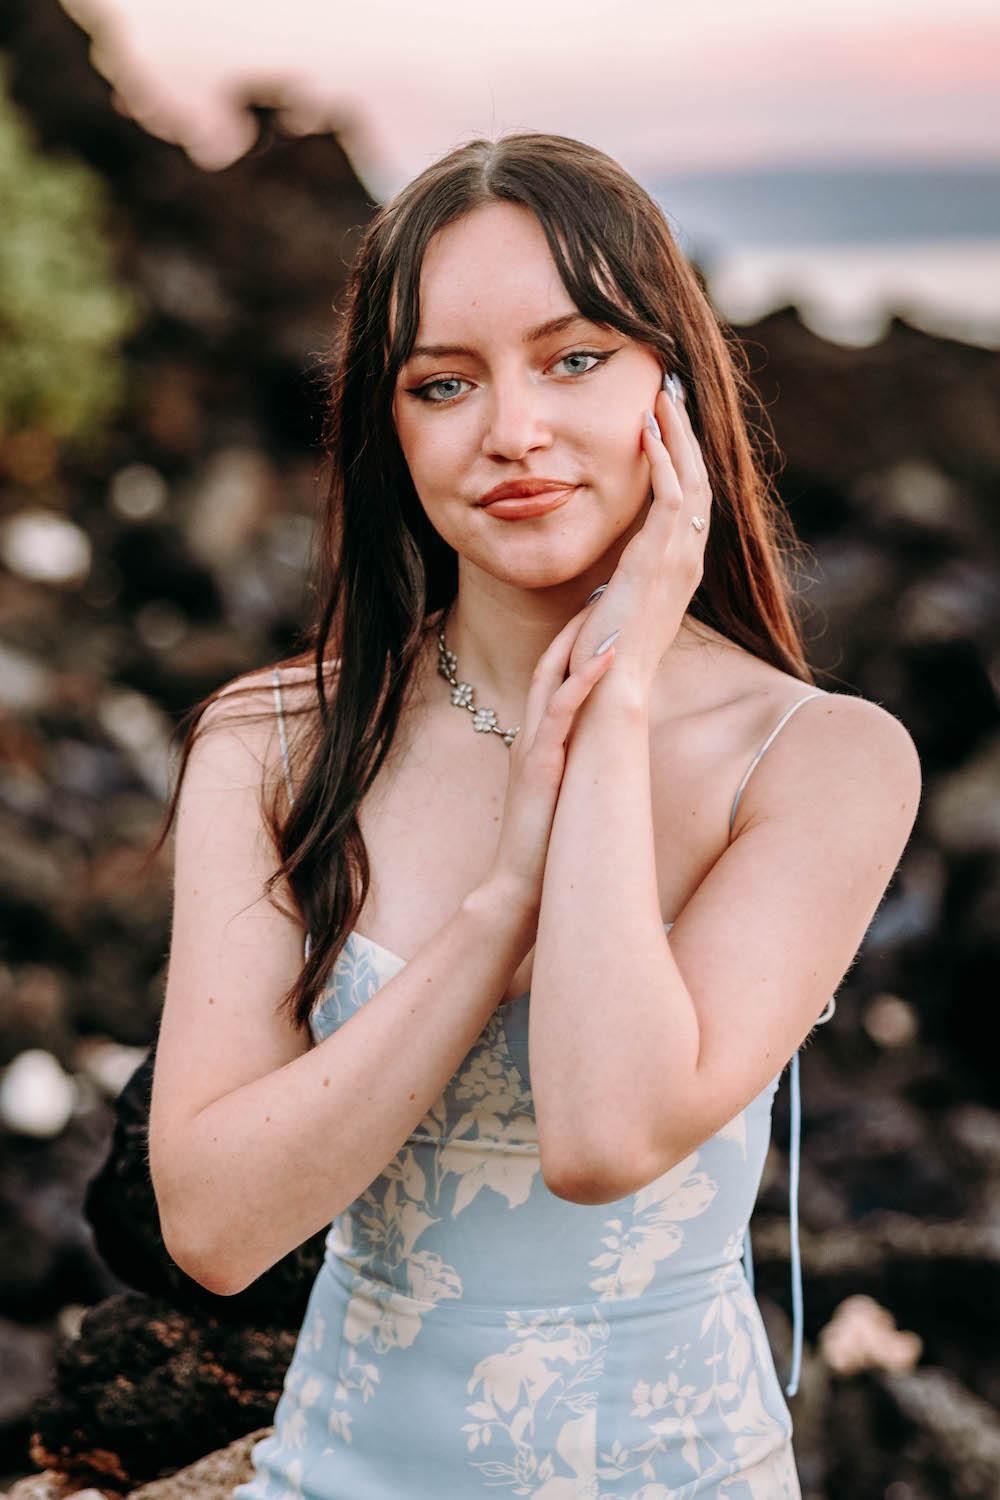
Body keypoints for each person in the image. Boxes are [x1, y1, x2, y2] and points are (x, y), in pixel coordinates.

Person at [148, 132, 920, 1498]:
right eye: (443, 383)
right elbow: (214, 1223)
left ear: (672, 387)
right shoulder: (273, 746)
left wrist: (609, 715)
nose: (513, 430)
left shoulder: (821, 762)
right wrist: (502, 906)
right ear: (391, 429)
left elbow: (605, 1135)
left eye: (576, 359)